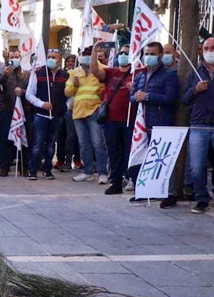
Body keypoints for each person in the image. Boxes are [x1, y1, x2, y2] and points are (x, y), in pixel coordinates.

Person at [129, 41, 180, 207]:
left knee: (164, 159)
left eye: (152, 54)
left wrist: (148, 96)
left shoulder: (169, 75)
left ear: (160, 56)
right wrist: (136, 96)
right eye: (147, 53)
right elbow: (133, 97)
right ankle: (146, 190)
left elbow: (171, 98)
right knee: (145, 158)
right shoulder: (141, 75)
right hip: (142, 124)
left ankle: (170, 194)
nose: (148, 56)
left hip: (161, 122)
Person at [92, 44, 134, 195]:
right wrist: (94, 52)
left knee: (128, 152)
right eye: (121, 53)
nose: (123, 55)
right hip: (110, 120)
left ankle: (130, 178)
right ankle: (115, 182)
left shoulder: (138, 73)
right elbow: (95, 71)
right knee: (113, 152)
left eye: (127, 53)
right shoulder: (111, 72)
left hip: (130, 119)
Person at [66, 46, 109, 184]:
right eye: (83, 54)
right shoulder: (74, 72)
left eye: (89, 54)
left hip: (94, 110)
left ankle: (103, 173)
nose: (85, 56)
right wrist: (74, 85)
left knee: (98, 143)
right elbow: (67, 92)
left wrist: (101, 93)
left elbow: (106, 88)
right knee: (83, 144)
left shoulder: (103, 69)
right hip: (78, 111)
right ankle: (87, 171)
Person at [26, 50, 70, 180]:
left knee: (51, 144)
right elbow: (29, 94)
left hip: (58, 115)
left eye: (54, 57)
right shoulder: (38, 73)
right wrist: (41, 104)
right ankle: (33, 169)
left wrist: (65, 106)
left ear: (60, 60)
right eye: (49, 57)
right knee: (37, 143)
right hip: (41, 115)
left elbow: (70, 95)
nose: (51, 59)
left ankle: (47, 169)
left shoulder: (65, 75)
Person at [185, 37, 214, 213]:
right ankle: (201, 198)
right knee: (197, 166)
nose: (210, 51)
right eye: (207, 48)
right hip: (199, 125)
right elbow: (185, 98)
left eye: (213, 47)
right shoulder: (195, 73)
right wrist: (195, 90)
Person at [0, 49, 31, 176]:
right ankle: (5, 166)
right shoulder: (5, 73)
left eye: (17, 56)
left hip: (24, 110)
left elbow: (31, 89)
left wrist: (22, 91)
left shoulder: (26, 74)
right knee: (6, 139)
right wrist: (5, 75)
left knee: (24, 137)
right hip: (7, 109)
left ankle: (24, 167)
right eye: (12, 57)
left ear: (21, 58)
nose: (15, 59)